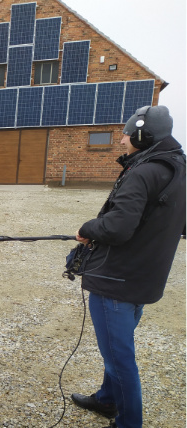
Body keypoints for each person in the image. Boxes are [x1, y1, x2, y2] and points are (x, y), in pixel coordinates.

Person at [71, 105, 185, 428]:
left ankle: (128, 423)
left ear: (141, 134)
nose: (121, 141)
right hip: (141, 281)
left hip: (116, 282)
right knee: (117, 349)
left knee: (120, 359)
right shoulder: (178, 168)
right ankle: (108, 399)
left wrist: (88, 228)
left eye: (125, 134)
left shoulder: (144, 171)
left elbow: (118, 227)